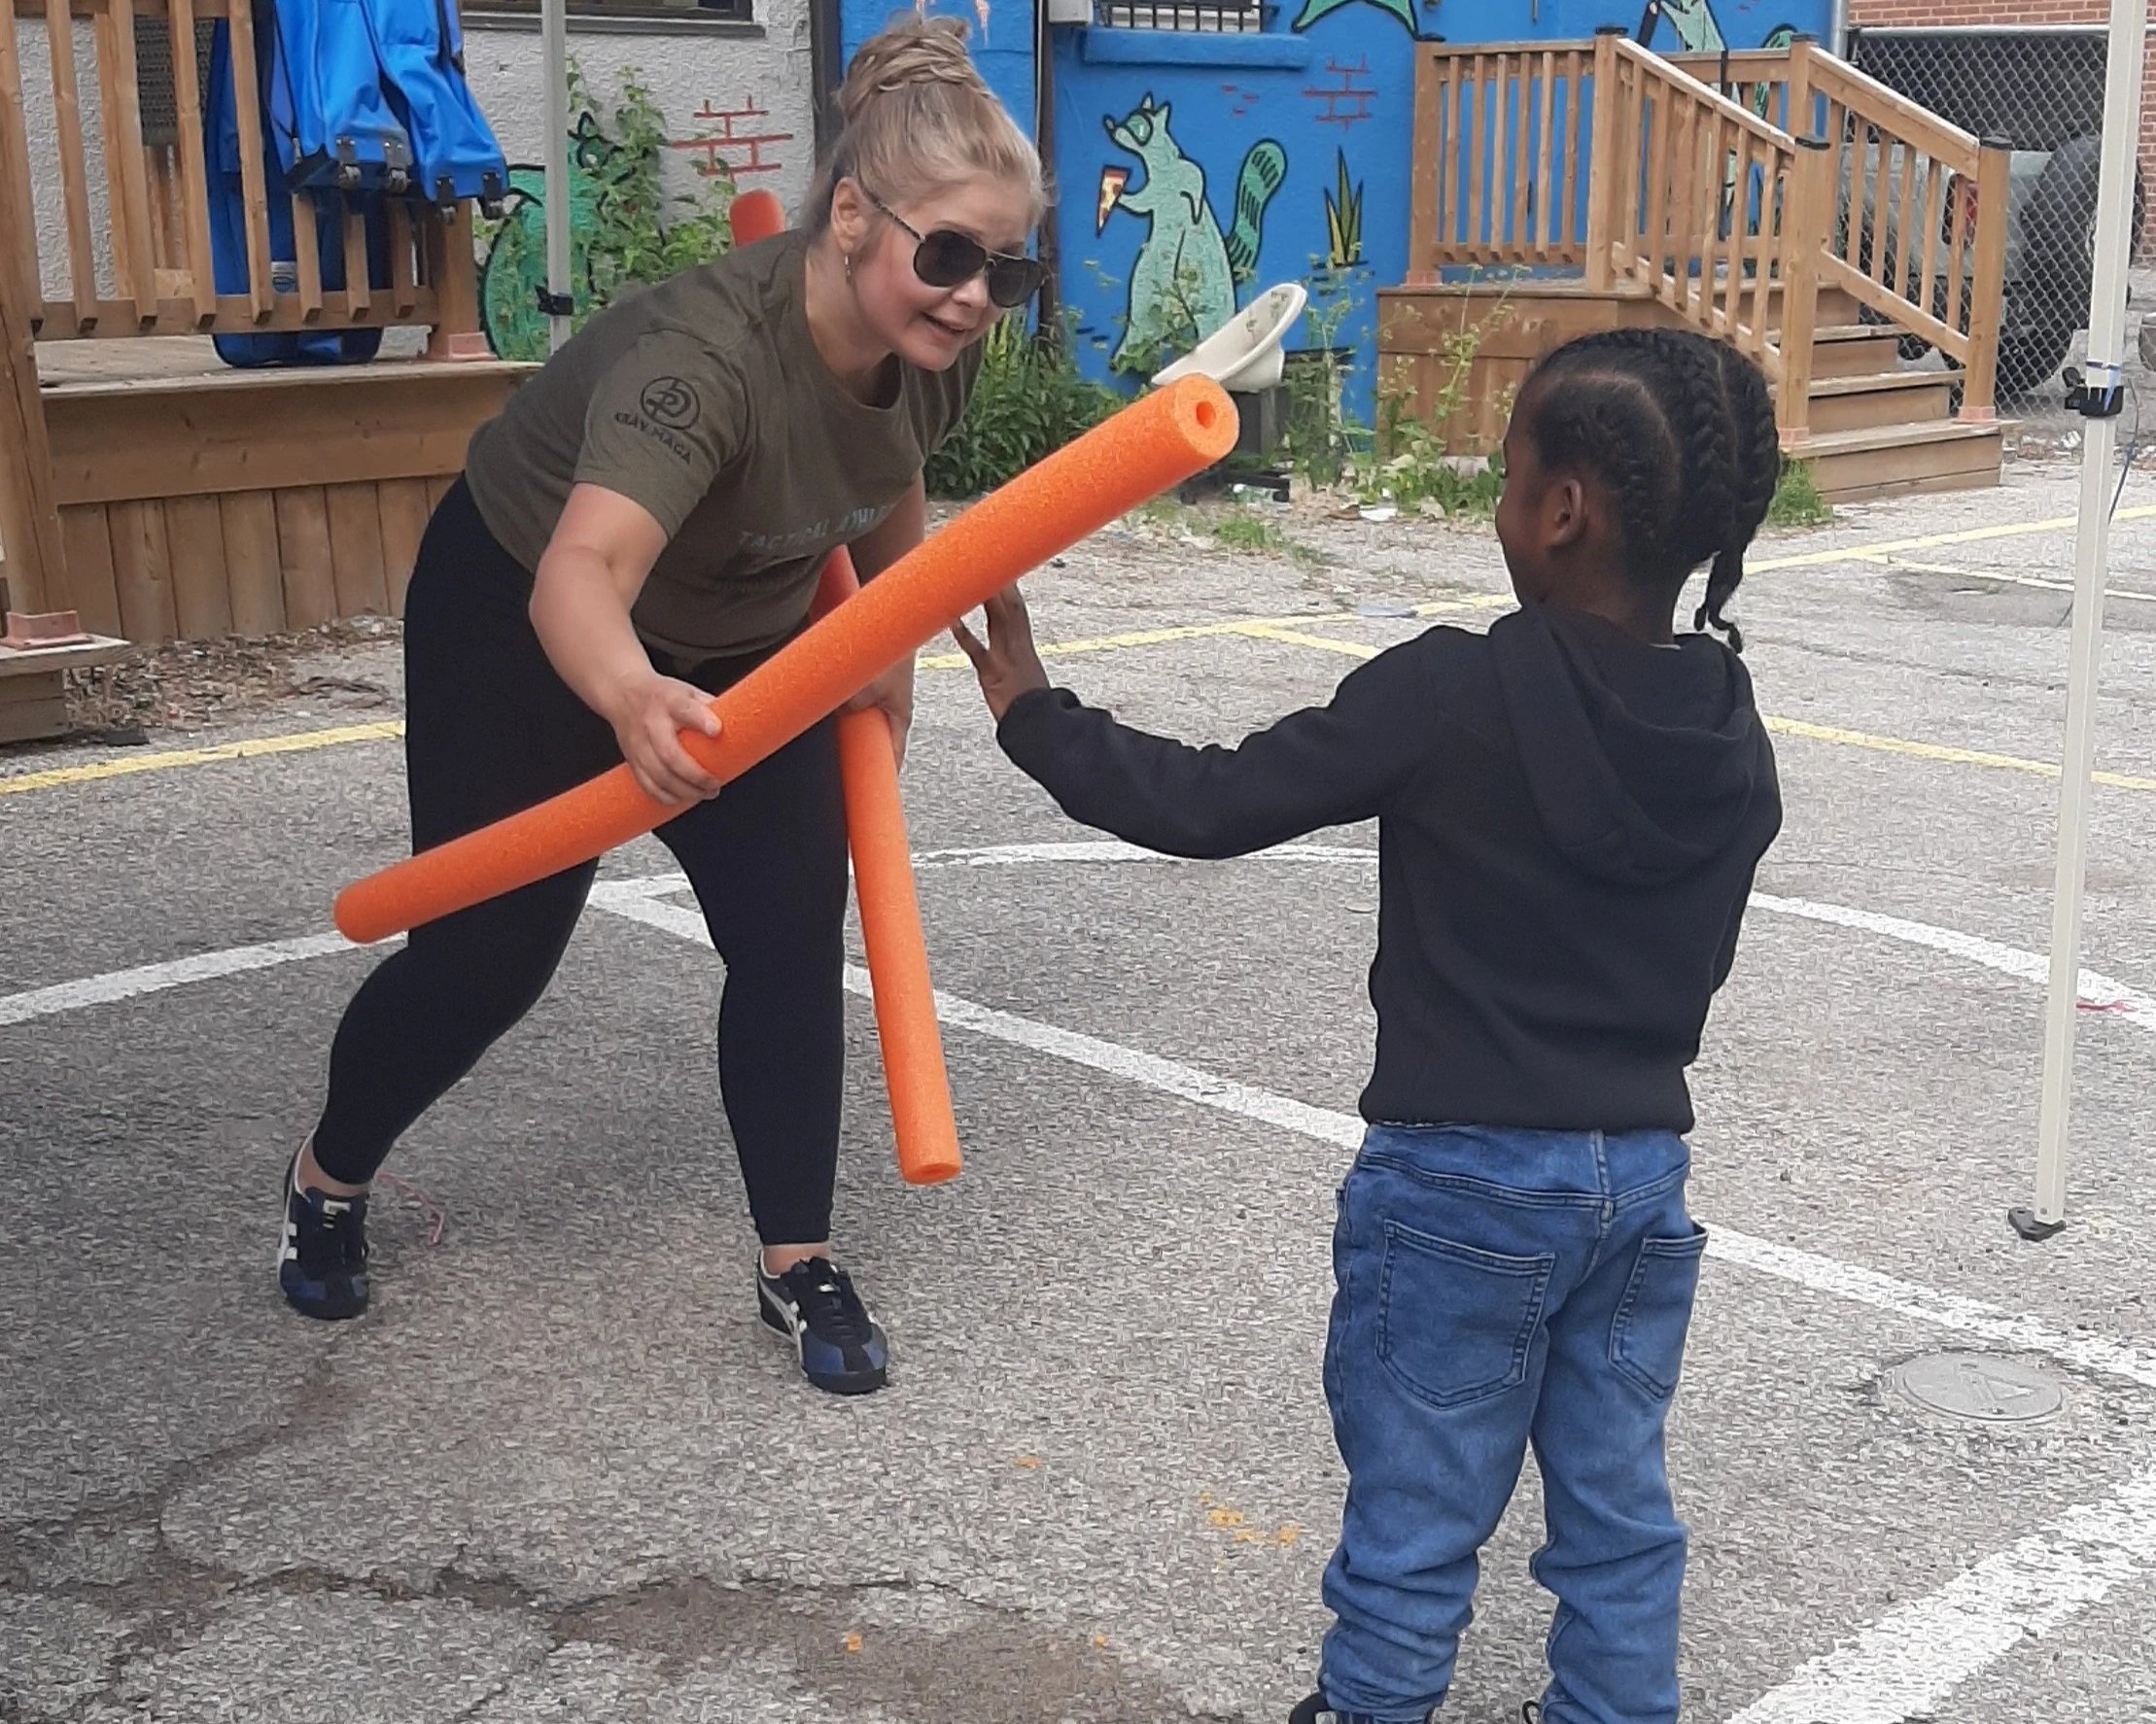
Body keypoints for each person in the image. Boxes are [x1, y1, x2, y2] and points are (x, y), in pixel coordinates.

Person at [952, 327, 1786, 1723]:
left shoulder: (1451, 688)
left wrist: (1037, 715)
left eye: (1512, 472)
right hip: (1639, 1177)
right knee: (1616, 1502)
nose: (1501, 498)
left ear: (1564, 507)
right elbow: (1690, 961)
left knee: (1416, 1511)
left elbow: (1206, 804)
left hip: (1457, 1181)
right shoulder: (1727, 722)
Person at [276, 15, 1047, 1398]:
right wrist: (633, 694)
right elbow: (583, 570)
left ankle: (793, 1256)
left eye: (1007, 268)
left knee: (787, 925)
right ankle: (327, 1178)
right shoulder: (702, 360)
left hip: (748, 637)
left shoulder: (937, 332)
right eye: (947, 256)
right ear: (853, 216)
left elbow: (889, 467)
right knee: (488, 955)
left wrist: (891, 629)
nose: (976, 296)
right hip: (527, 612)